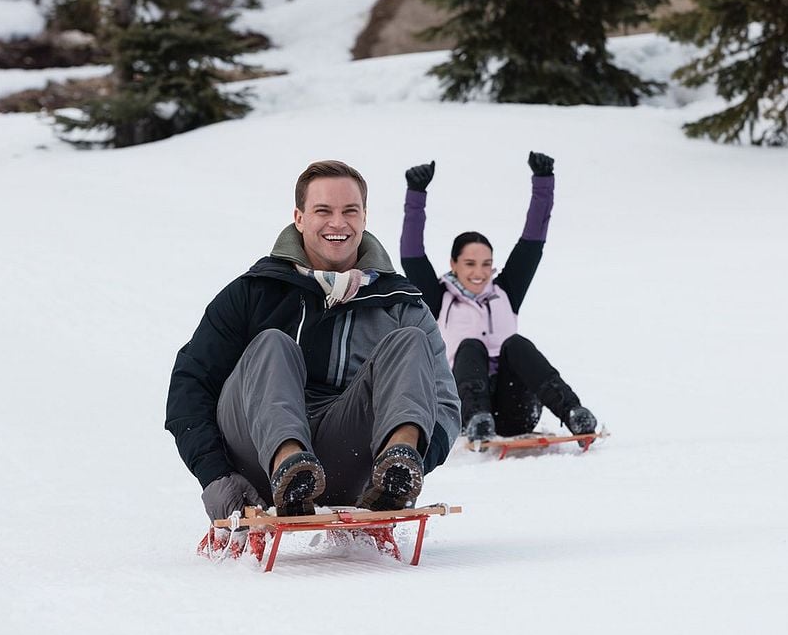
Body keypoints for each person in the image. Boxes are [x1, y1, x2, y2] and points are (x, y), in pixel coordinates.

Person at [166, 160, 461, 523]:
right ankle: (289, 466)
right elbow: (191, 385)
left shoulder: (401, 304)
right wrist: (215, 475)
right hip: (258, 460)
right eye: (323, 211)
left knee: (409, 342)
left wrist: (419, 457)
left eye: (349, 211)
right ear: (300, 218)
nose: (338, 223)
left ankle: (397, 467)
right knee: (272, 344)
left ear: (364, 217)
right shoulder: (254, 292)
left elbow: (444, 402)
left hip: (352, 457)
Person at [399, 152, 597, 442]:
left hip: (516, 408)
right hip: (465, 408)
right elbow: (411, 254)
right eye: (470, 264)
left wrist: (543, 182)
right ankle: (478, 421)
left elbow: (533, 241)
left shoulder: (506, 291)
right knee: (470, 346)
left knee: (516, 344)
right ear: (453, 264)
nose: (479, 273)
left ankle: (573, 413)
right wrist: (416, 194)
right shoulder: (439, 298)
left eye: (486, 264)